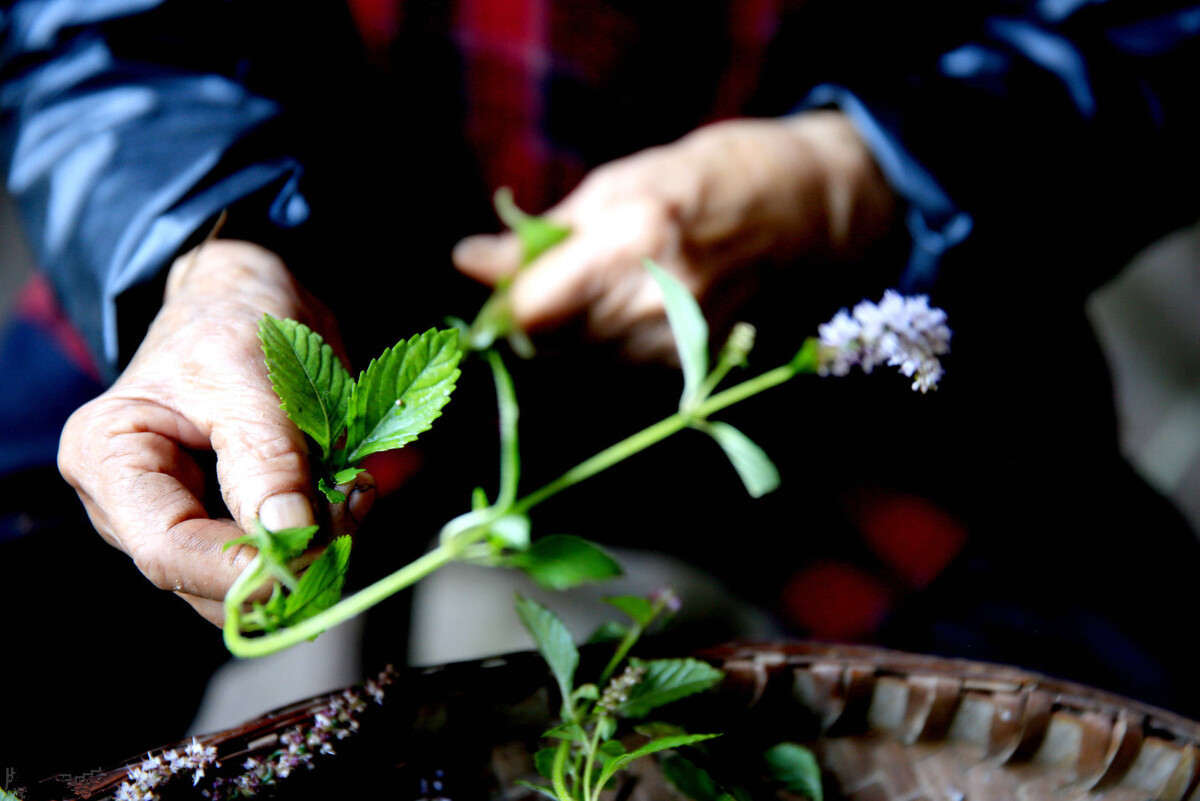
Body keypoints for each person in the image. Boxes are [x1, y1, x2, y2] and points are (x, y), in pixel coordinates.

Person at [3, 0, 1200, 772]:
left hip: (833, 333)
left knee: (1125, 731)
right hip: (286, 277)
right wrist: (195, 254)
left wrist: (859, 172)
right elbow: (97, 28)